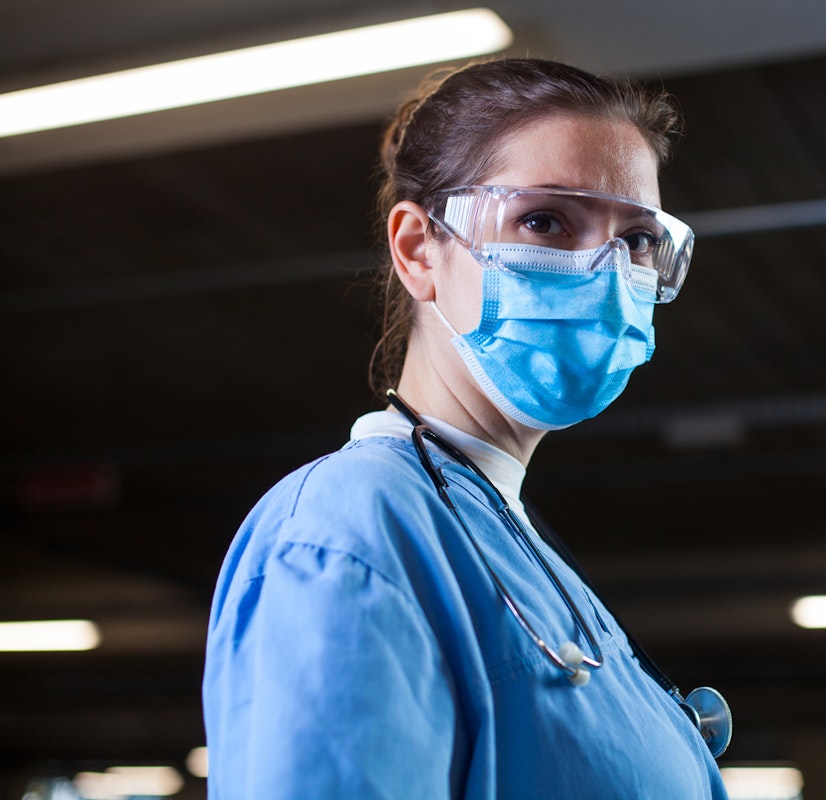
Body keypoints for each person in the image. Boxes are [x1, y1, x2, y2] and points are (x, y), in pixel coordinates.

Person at [202, 57, 729, 799]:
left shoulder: (505, 534)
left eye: (638, 240)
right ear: (420, 248)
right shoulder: (349, 530)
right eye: (545, 221)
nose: (606, 274)